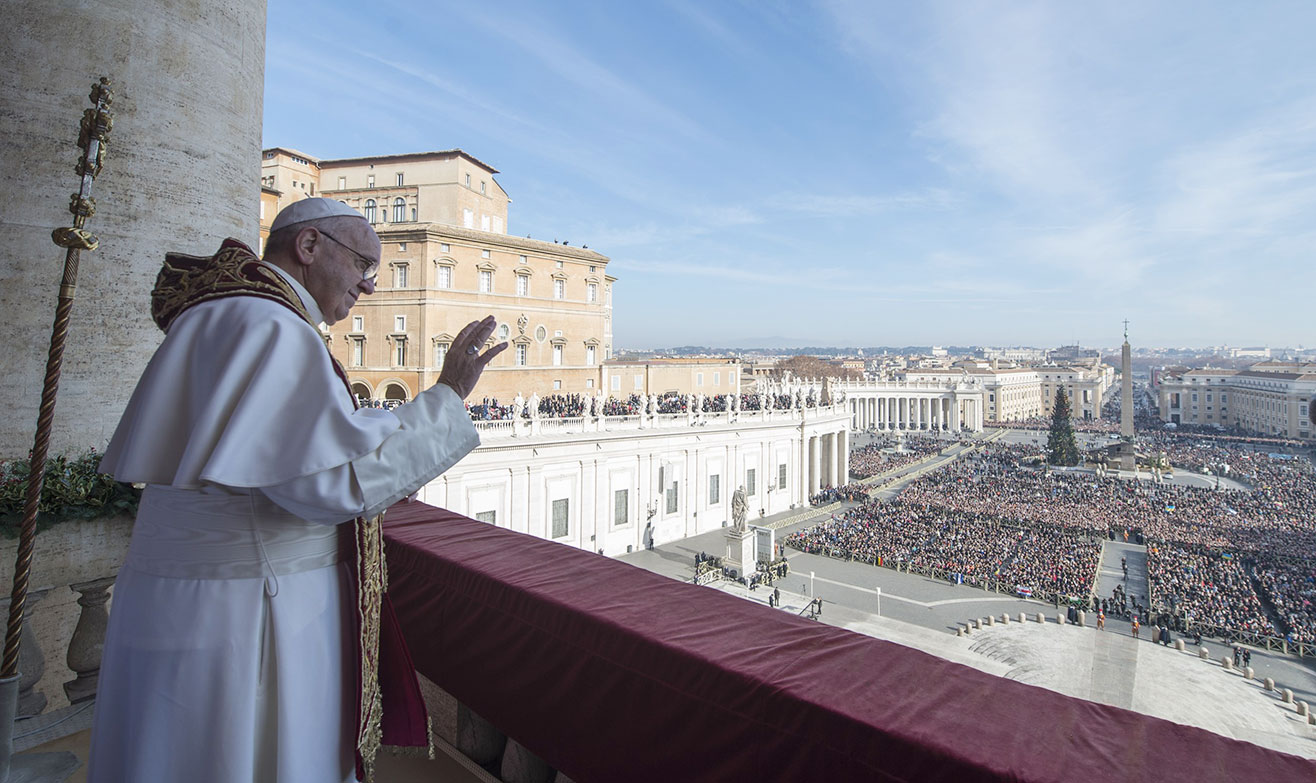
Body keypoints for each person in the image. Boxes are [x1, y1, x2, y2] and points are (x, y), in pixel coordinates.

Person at [88, 199, 507, 783]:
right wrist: (446, 398)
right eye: (363, 262)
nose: (368, 284)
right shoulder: (273, 327)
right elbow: (332, 484)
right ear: (308, 247)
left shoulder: (227, 316)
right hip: (246, 613)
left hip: (190, 601)